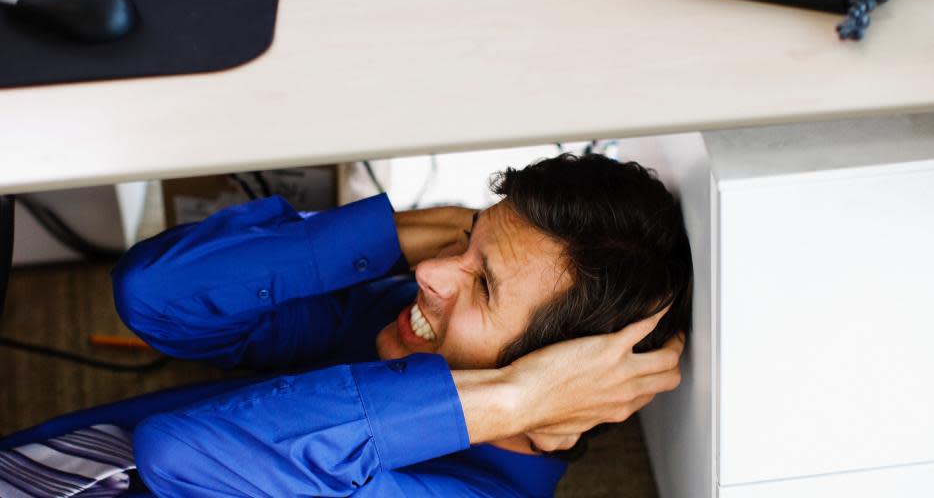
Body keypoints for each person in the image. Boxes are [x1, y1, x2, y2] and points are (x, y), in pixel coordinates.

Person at [0, 154, 692, 498]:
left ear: (565, 374)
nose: (433, 273)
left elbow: (181, 452)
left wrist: (513, 401)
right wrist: (405, 233)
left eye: (483, 286)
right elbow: (159, 294)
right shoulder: (401, 334)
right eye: (468, 238)